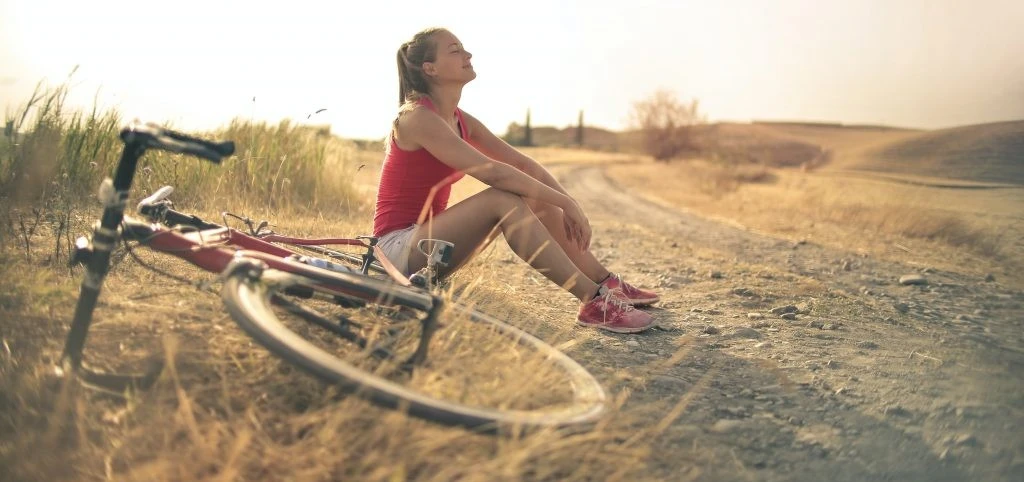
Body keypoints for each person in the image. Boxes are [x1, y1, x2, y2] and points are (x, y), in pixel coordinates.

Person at [372, 27, 660, 334]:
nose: (467, 55)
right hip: (395, 251)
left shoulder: (459, 119)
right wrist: (565, 202)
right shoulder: (416, 117)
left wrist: (567, 202)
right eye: (455, 50)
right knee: (503, 198)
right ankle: (592, 301)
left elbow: (522, 163)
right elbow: (494, 172)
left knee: (535, 195)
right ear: (430, 68)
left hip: (432, 249)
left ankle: (605, 283)